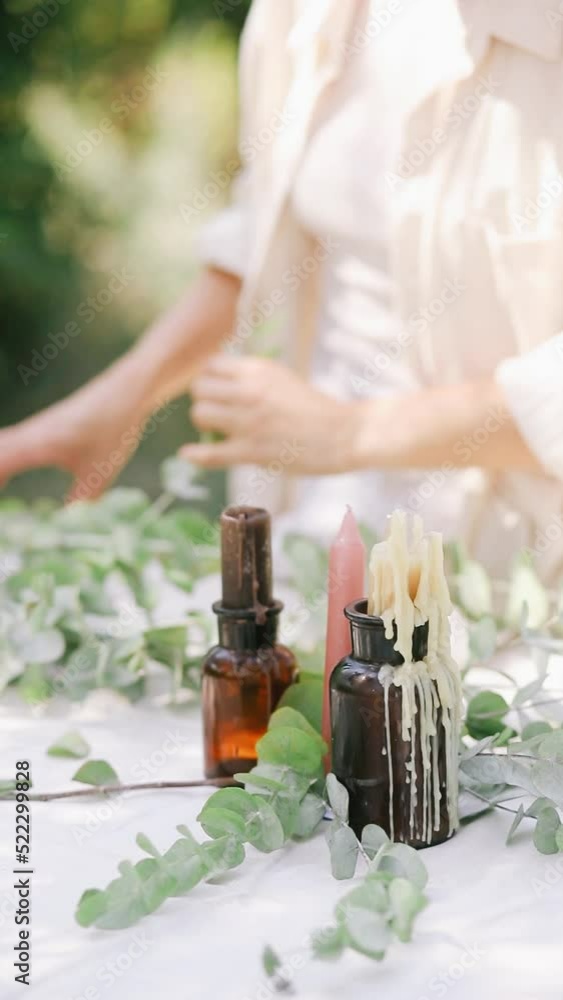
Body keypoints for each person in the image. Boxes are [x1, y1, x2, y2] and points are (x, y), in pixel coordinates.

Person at [2, 0, 563, 581]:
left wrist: (353, 431)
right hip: (316, 536)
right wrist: (123, 397)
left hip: (513, 583)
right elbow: (268, 228)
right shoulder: (304, 13)